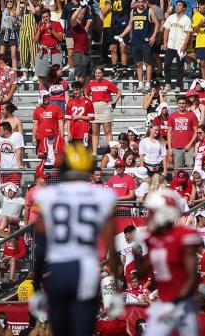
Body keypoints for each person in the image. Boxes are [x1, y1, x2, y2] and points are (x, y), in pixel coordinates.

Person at [30, 144, 120, 336]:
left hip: (59, 269)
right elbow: (112, 246)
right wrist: (117, 284)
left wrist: (36, 282)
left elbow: (41, 246)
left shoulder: (47, 195)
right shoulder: (103, 195)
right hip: (86, 269)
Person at [133, 189, 202, 335]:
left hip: (183, 304)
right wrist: (136, 252)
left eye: (153, 211)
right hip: (163, 302)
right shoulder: (153, 238)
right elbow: (141, 273)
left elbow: (192, 276)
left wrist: (175, 303)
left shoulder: (183, 236)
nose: (150, 215)